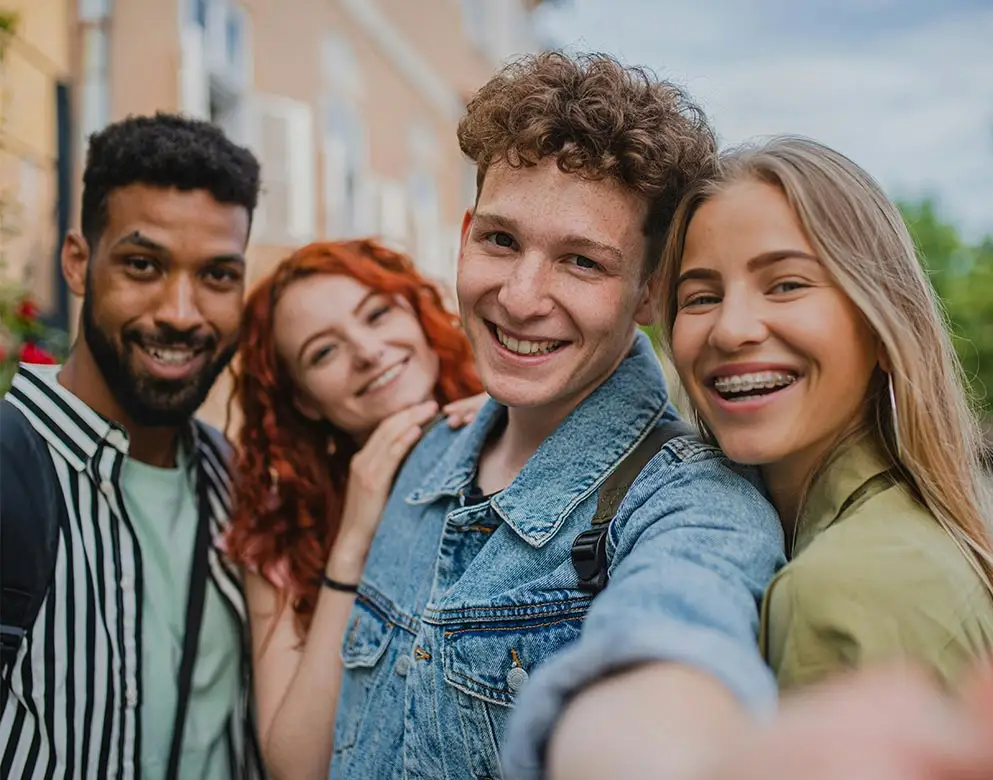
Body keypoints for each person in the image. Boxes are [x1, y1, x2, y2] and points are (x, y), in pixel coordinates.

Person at [331, 51, 787, 780]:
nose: (519, 296)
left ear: (648, 295)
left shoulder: (692, 504)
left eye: (582, 262)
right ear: (464, 236)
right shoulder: (424, 456)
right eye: (501, 241)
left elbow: (679, 641)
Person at [662, 135, 993, 690]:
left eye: (787, 285)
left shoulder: (835, 590)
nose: (731, 328)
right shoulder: (909, 539)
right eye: (700, 296)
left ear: (883, 325)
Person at [0, 113, 265, 779]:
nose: (181, 311)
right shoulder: (9, 471)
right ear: (78, 262)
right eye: (143, 265)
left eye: (217, 275)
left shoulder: (240, 486)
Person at [225, 239, 486, 779]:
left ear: (416, 312)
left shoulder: (522, 424)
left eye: (377, 313)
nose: (367, 351)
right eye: (324, 352)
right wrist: (350, 545)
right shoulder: (284, 530)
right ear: (302, 399)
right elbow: (296, 766)